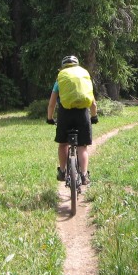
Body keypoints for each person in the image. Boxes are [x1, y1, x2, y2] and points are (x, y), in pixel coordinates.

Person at [46, 55, 98, 185]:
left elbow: (52, 104)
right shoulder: (84, 76)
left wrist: (50, 118)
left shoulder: (60, 79)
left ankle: (62, 171)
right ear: (77, 65)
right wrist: (94, 116)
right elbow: (93, 102)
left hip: (65, 114)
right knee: (82, 147)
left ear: (63, 67)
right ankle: (84, 174)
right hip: (82, 114)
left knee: (63, 144)